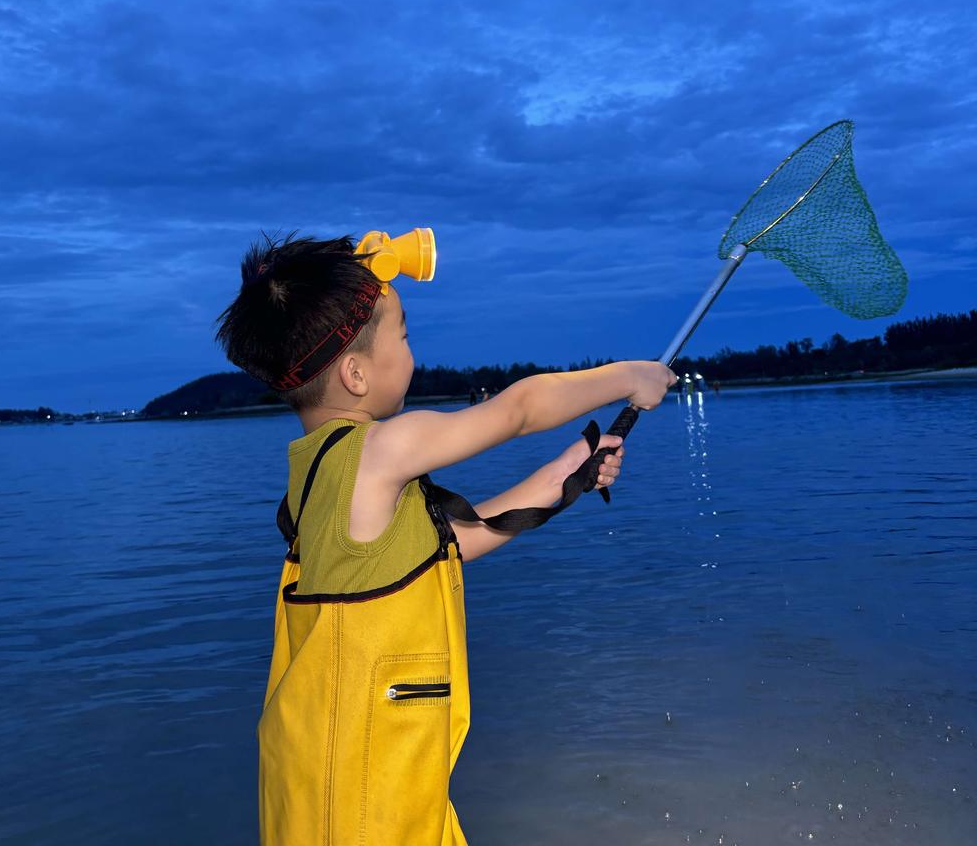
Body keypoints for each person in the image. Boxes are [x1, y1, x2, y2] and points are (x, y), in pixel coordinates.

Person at [215, 232, 676, 846]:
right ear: (356, 373)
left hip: (346, 777)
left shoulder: (318, 477)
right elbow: (519, 410)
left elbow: (447, 547)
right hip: (360, 802)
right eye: (402, 335)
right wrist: (630, 377)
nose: (412, 352)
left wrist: (569, 474)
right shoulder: (382, 451)